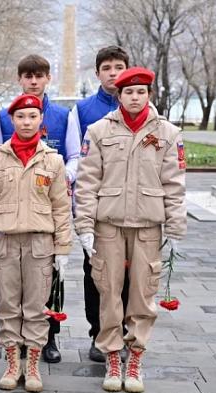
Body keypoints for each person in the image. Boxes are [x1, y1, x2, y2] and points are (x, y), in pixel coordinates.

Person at [75, 67, 186, 393]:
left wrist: (175, 228)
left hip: (147, 227)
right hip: (108, 226)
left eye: (140, 92)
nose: (135, 97)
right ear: (119, 96)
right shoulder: (98, 131)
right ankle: (112, 357)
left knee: (143, 296)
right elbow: (87, 183)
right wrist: (84, 226)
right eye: (128, 92)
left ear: (149, 94)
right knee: (109, 294)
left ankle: (135, 358)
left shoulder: (168, 133)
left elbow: (174, 184)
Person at [0, 94, 72, 393]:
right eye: (20, 117)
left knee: (36, 307)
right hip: (4, 243)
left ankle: (32, 364)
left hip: (40, 244)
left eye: (32, 116)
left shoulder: (53, 161)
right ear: (12, 120)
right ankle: (12, 361)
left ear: (41, 120)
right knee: (7, 305)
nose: (26, 122)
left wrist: (63, 248)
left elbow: (61, 207)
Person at [0, 54, 76, 364]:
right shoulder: (3, 117)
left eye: (39, 75)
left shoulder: (64, 115)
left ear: (48, 78)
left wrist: (62, 176)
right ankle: (16, 342)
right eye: (28, 76)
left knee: (47, 280)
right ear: (20, 79)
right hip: (13, 211)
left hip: (47, 204)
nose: (34, 81)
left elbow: (75, 155)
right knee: (13, 286)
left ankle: (48, 338)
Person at [65, 46, 131, 363]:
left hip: (132, 206)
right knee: (96, 272)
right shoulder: (82, 110)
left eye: (119, 67)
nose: (113, 73)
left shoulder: (141, 105)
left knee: (130, 274)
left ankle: (124, 332)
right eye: (107, 68)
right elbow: (78, 160)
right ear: (97, 73)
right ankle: (98, 334)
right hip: (96, 205)